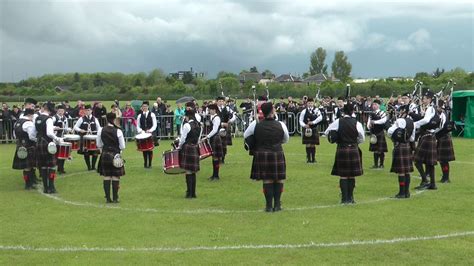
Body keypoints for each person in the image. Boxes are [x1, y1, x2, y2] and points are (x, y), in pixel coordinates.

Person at [244, 102, 289, 212]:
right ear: (272, 111)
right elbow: (286, 139)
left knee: (267, 180)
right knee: (279, 179)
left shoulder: (256, 124)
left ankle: (269, 206)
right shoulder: (281, 124)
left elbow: (246, 135)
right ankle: (277, 205)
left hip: (262, 154)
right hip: (277, 152)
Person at [324, 103, 365, 204]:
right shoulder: (357, 123)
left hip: (342, 148)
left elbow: (327, 132)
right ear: (352, 112)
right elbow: (362, 138)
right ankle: (351, 198)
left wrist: (337, 138)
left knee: (343, 175)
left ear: (343, 112)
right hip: (354, 149)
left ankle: (344, 199)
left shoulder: (338, 121)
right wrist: (355, 143)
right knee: (352, 175)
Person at [387, 104, 415, 198]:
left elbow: (390, 132)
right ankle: (407, 192)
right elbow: (412, 138)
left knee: (401, 171)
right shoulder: (412, 122)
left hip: (399, 146)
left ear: (403, 111)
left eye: (400, 111)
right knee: (406, 171)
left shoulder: (399, 120)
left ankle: (401, 193)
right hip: (407, 146)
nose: (399, 112)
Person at [97, 113, 126, 203]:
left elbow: (99, 144)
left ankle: (108, 198)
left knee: (107, 176)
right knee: (115, 176)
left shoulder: (100, 130)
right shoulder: (118, 131)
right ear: (114, 119)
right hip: (115, 155)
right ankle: (115, 198)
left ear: (106, 119)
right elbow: (122, 146)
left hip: (105, 154)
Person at [414, 90, 439, 190]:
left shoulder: (430, 108)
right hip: (429, 136)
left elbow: (426, 120)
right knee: (429, 162)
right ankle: (432, 184)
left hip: (427, 136)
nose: (423, 100)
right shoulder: (430, 108)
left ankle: (425, 180)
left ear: (429, 99)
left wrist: (415, 124)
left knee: (417, 160)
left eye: (424, 98)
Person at [36, 102, 63, 194]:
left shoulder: (37, 118)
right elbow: (49, 133)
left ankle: (45, 187)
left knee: (43, 166)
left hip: (39, 143)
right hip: (48, 144)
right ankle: (51, 187)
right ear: (50, 110)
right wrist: (57, 139)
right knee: (51, 166)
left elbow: (33, 132)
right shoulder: (49, 119)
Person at [177, 108, 201, 198]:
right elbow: (198, 138)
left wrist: (179, 147)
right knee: (193, 171)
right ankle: (193, 193)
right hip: (195, 147)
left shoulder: (187, 125)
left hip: (187, 148)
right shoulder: (198, 125)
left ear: (187, 116)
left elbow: (183, 139)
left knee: (188, 171)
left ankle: (189, 193)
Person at [12, 108, 37, 190]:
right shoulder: (29, 123)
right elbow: (31, 136)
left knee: (26, 167)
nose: (33, 117)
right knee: (29, 166)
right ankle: (29, 184)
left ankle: (29, 183)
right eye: (33, 116)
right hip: (28, 146)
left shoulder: (17, 122)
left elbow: (14, 135)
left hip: (20, 146)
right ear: (30, 115)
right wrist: (37, 140)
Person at [74, 104, 102, 171]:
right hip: (85, 138)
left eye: (88, 110)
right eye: (86, 110)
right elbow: (75, 127)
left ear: (91, 111)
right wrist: (80, 130)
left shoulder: (95, 119)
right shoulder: (81, 119)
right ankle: (89, 167)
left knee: (95, 152)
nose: (87, 111)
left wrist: (99, 132)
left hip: (93, 137)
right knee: (86, 153)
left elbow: (99, 128)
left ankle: (93, 166)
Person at [434, 100, 455, 183]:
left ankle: (446, 178)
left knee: (444, 160)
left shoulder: (442, 115)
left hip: (444, 138)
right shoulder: (442, 114)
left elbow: (440, 127)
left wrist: (433, 132)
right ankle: (445, 177)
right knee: (442, 160)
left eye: (437, 107)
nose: (436, 108)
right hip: (443, 138)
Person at [201, 104, 224, 181]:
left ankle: (216, 175)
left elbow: (214, 130)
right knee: (214, 157)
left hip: (215, 138)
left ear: (214, 110)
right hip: (213, 138)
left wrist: (207, 137)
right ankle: (214, 175)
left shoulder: (216, 118)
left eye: (210, 109)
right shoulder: (212, 117)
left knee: (216, 157)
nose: (209, 111)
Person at [299, 97, 322, 163]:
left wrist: (313, 122)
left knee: (313, 144)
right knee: (308, 144)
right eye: (309, 103)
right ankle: (308, 158)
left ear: (313, 103)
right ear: (307, 103)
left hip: (314, 128)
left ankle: (313, 159)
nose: (310, 104)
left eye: (311, 103)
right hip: (307, 129)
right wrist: (304, 125)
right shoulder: (304, 111)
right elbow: (300, 120)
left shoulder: (316, 110)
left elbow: (320, 117)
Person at [367, 100, 388, 168]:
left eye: (375, 104)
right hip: (373, 133)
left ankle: (381, 164)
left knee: (381, 150)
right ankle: (375, 164)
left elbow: (383, 121)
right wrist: (369, 126)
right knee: (375, 150)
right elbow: (369, 122)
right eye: (373, 104)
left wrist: (374, 122)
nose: (374, 106)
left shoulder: (382, 113)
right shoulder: (371, 113)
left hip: (380, 132)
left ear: (379, 105)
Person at [136, 101, 157, 168]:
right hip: (143, 134)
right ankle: (145, 163)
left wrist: (150, 130)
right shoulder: (139, 115)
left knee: (150, 149)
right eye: (143, 106)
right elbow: (138, 125)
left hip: (150, 134)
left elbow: (155, 125)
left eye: (145, 106)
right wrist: (141, 131)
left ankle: (150, 164)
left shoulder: (152, 114)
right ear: (142, 107)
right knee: (144, 149)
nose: (144, 108)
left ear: (148, 107)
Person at [216, 96, 236, 163]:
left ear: (224, 102)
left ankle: (223, 158)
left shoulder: (227, 109)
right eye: (219, 101)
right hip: (216, 130)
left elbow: (234, 116)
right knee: (218, 145)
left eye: (222, 101)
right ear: (217, 102)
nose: (221, 102)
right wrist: (222, 124)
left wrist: (230, 121)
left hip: (225, 130)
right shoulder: (214, 109)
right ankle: (218, 158)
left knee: (224, 145)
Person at [52, 105, 69, 174]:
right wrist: (55, 127)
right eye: (59, 111)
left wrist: (68, 130)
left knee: (63, 154)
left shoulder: (65, 118)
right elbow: (50, 126)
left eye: (62, 111)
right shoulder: (54, 118)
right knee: (56, 154)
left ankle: (61, 168)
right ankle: (54, 168)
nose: (61, 112)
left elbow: (66, 127)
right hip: (55, 138)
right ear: (57, 111)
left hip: (63, 138)